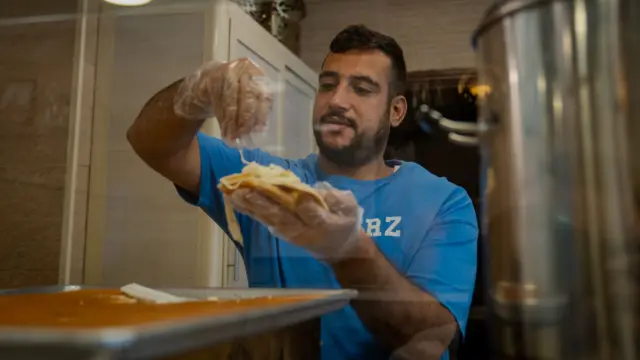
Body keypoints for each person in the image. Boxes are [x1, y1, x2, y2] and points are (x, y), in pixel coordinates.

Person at [128, 24, 478, 360]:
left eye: (362, 88)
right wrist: (198, 91)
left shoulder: (443, 202)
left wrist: (350, 250)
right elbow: (151, 143)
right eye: (328, 85)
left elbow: (428, 345)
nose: (337, 100)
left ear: (396, 110)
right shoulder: (265, 184)